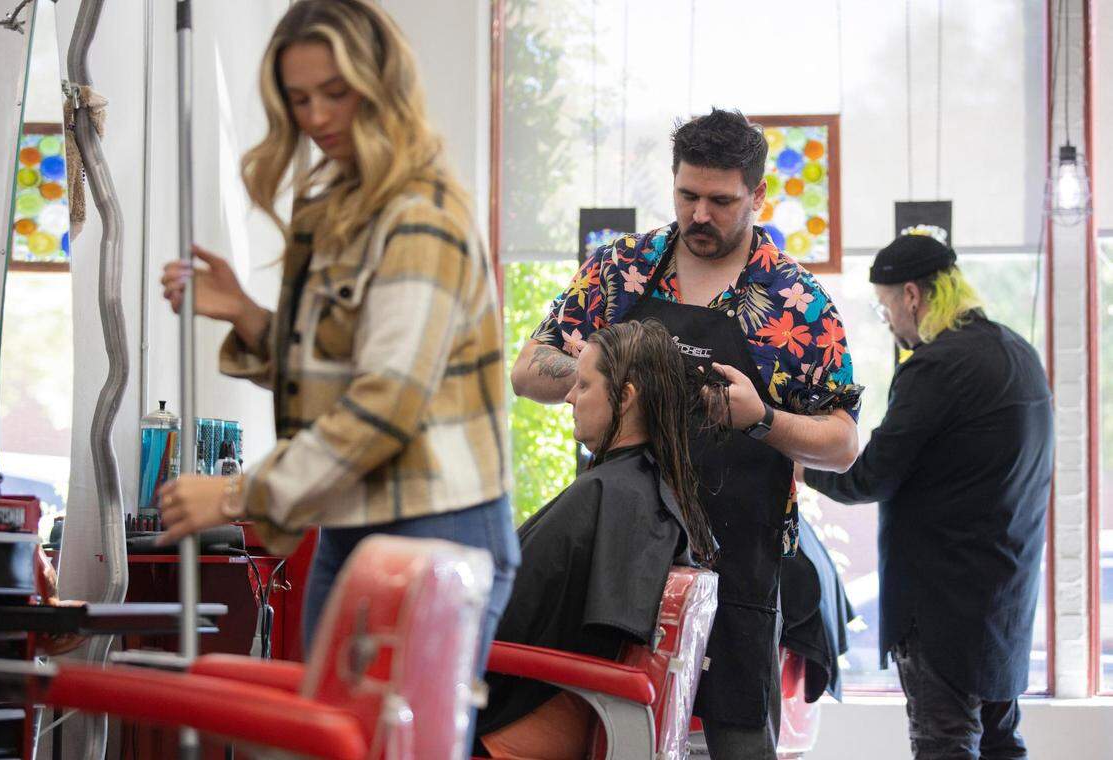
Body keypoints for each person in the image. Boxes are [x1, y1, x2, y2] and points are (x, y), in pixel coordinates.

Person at [154, 0, 518, 719]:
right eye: (299, 99)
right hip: (355, 515)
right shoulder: (340, 206)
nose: (317, 116)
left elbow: (385, 403)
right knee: (335, 736)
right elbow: (342, 370)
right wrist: (250, 317)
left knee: (386, 746)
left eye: (335, 92)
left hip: (438, 523)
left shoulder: (421, 216)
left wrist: (234, 497)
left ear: (381, 85)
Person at [511, 108, 862, 759]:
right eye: (687, 195)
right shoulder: (622, 270)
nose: (700, 215)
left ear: (757, 195)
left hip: (740, 566)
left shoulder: (796, 301)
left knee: (740, 742)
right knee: (610, 730)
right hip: (618, 554)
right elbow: (528, 369)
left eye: (721, 201)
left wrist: (760, 419)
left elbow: (843, 444)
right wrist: (597, 374)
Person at [799, 234, 1053, 760]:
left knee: (945, 747)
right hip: (1006, 601)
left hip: (941, 609)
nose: (889, 320)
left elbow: (869, 477)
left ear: (911, 295)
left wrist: (800, 464)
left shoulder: (935, 367)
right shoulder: (1019, 354)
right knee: (1002, 745)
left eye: (885, 306)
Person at [477, 319, 717, 759]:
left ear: (625, 398)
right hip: (556, 709)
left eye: (584, 385)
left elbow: (506, 619)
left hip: (520, 725)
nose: (569, 396)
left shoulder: (609, 495)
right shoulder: (648, 492)